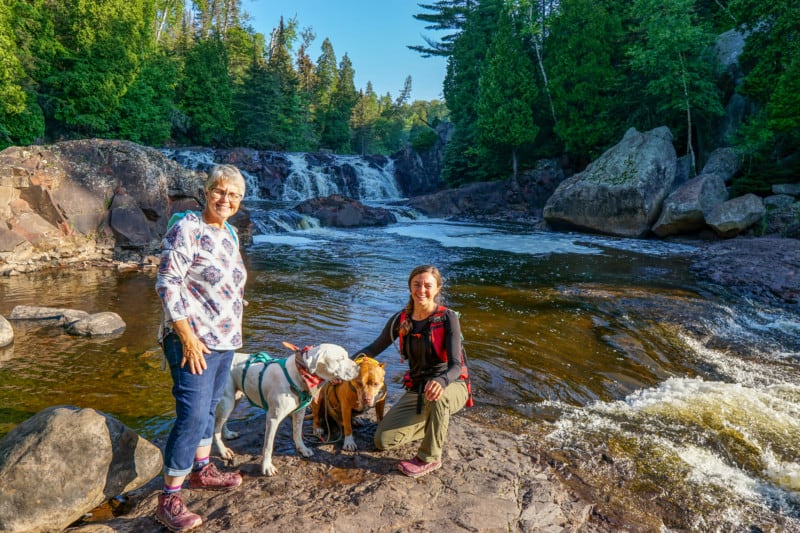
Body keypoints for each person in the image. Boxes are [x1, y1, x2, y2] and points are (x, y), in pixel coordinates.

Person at [154, 164, 248, 532]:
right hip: (191, 340)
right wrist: (187, 336)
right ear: (206, 191)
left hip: (226, 339)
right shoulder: (187, 228)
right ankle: (169, 497)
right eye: (219, 191)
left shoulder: (231, 234)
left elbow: (230, 280)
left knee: (209, 408)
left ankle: (202, 469)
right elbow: (167, 284)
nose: (226, 199)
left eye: (234, 195)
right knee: (192, 415)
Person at [354, 264, 471, 478]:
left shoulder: (448, 318)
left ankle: (429, 458)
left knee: (439, 397)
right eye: (417, 284)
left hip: (452, 385)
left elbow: (456, 366)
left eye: (428, 285)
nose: (422, 290)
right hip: (418, 390)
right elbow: (373, 349)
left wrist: (442, 381)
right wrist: (342, 366)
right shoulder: (401, 319)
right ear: (409, 287)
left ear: (437, 289)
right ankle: (436, 422)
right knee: (382, 441)